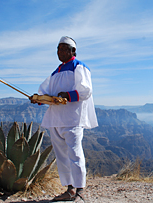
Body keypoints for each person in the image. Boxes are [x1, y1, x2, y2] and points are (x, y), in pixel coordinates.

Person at [32, 36, 98, 202]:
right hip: (55, 120)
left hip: (72, 119)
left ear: (73, 51)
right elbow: (45, 91)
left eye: (63, 49)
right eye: (58, 49)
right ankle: (69, 189)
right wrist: (39, 99)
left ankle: (80, 190)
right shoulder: (56, 71)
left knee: (75, 153)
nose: (60, 52)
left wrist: (67, 95)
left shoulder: (79, 67)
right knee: (62, 156)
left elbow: (85, 90)